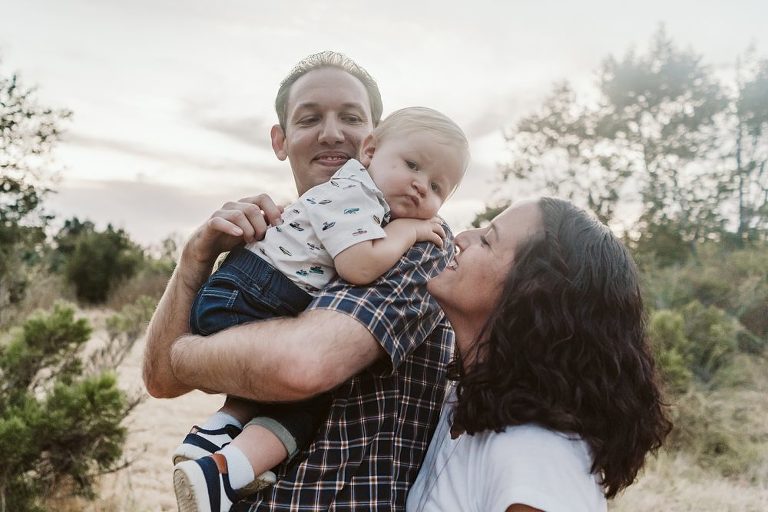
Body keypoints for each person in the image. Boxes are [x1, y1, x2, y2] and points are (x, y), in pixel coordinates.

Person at [142, 51, 458, 512]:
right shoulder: (273, 234)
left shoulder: (419, 241)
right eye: (310, 118)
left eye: (351, 117)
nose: (331, 133)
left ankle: (220, 455)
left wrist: (184, 355)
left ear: (374, 138)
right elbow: (159, 381)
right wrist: (195, 257)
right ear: (281, 140)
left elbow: (299, 367)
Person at [406, 197, 672, 512]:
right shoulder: (467, 399)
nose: (461, 238)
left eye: (487, 241)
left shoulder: (537, 457)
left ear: (529, 293)